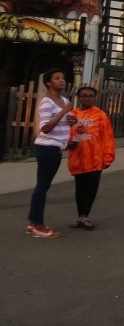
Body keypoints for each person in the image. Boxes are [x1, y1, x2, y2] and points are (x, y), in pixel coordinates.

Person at [27, 68, 75, 238]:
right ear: (49, 83)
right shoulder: (47, 102)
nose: (61, 80)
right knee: (42, 187)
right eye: (57, 78)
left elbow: (64, 124)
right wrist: (63, 112)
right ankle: (38, 225)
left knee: (43, 186)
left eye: (63, 77)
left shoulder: (64, 99)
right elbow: (45, 128)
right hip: (46, 147)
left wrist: (71, 120)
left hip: (57, 147)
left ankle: (33, 222)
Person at [66, 87, 115, 229]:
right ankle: (79, 216)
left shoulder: (100, 115)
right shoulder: (71, 115)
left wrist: (108, 157)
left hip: (95, 158)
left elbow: (107, 137)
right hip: (78, 158)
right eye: (83, 96)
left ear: (95, 97)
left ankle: (85, 215)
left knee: (91, 187)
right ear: (78, 98)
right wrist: (68, 143)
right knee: (79, 188)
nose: (87, 98)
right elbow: (64, 134)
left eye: (90, 96)